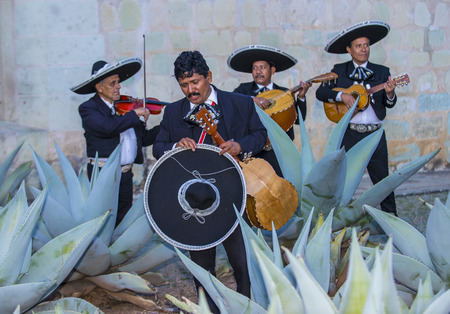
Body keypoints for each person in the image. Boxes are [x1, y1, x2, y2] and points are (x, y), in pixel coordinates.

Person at [153, 50, 267, 313]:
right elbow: (157, 147)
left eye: (195, 83)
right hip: (194, 204)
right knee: (202, 267)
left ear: (209, 77)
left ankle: (247, 306)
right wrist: (174, 145)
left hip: (234, 198)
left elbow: (260, 136)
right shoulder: (172, 112)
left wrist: (240, 146)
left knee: (242, 261)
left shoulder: (240, 103)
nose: (190, 90)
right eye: (184, 85)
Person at [315, 21, 397, 215]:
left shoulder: (382, 72)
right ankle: (338, 221)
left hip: (374, 135)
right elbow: (321, 92)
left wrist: (391, 93)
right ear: (349, 50)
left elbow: (390, 103)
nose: (364, 49)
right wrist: (341, 95)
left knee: (383, 181)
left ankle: (392, 220)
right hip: (350, 134)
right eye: (359, 46)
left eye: (366, 45)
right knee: (344, 180)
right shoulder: (339, 69)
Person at [71, 57, 160, 225]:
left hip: (126, 173)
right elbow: (108, 127)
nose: (118, 86)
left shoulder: (125, 109)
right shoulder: (88, 108)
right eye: (113, 83)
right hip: (103, 174)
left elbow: (144, 138)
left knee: (123, 218)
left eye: (118, 82)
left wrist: (166, 125)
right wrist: (134, 115)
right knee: (102, 218)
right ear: (99, 87)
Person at [227, 45, 312, 176]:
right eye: (254, 68)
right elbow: (231, 104)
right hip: (253, 151)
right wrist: (251, 100)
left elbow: (299, 120)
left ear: (272, 70)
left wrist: (300, 96)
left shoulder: (284, 93)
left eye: (262, 67)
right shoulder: (243, 91)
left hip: (279, 152)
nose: (258, 71)